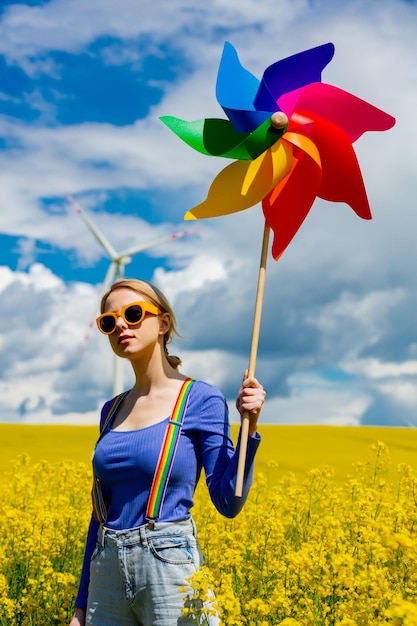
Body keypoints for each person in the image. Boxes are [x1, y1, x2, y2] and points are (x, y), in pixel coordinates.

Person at [70, 278, 265, 626]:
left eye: (132, 314)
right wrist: (81, 606)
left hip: (168, 562)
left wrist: (248, 427)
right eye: (108, 321)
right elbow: (99, 513)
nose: (120, 326)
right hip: (106, 571)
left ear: (163, 323)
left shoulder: (200, 399)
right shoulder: (110, 410)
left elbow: (228, 502)